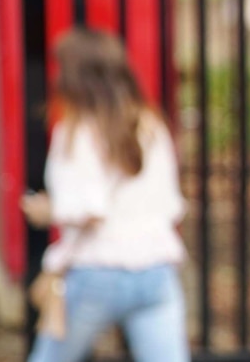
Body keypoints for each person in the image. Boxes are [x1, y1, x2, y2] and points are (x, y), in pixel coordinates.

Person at [21, 27, 189, 362]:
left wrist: (46, 210)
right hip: (156, 269)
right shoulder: (149, 123)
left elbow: (87, 207)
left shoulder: (76, 130)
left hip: (96, 271)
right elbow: (171, 204)